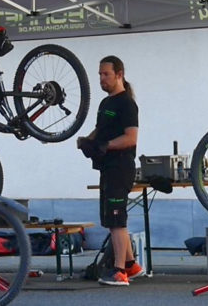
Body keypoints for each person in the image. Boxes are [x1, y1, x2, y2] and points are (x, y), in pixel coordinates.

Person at [77, 55, 143, 286]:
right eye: (100, 75)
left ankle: (118, 272)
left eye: (106, 74)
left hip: (121, 167)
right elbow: (99, 129)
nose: (102, 79)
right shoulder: (106, 103)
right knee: (110, 218)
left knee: (117, 221)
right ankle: (131, 265)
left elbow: (131, 138)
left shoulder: (127, 103)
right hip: (107, 168)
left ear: (119, 74)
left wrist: (106, 146)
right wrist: (88, 140)